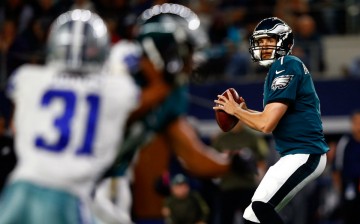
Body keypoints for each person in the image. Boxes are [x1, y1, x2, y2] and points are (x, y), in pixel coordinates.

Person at [0, 9, 139, 224]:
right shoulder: (115, 89)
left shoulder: (30, 78)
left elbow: (17, 127)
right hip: (68, 193)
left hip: (21, 185)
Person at [213, 17, 329, 224]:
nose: (264, 46)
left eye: (270, 40)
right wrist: (244, 110)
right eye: (261, 41)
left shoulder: (286, 65)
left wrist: (236, 111)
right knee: (251, 216)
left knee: (260, 208)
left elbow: (266, 124)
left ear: (284, 42)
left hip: (304, 153)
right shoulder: (280, 69)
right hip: (293, 154)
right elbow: (268, 118)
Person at [210, 121, 269, 224]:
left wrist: (259, 178)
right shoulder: (220, 138)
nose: (235, 122)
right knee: (226, 218)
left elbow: (261, 160)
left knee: (250, 219)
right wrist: (226, 158)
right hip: (227, 185)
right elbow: (212, 160)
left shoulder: (252, 137)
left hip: (248, 185)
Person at [332, 109, 360, 224]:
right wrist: (340, 189)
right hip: (349, 187)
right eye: (356, 122)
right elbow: (337, 168)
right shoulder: (345, 142)